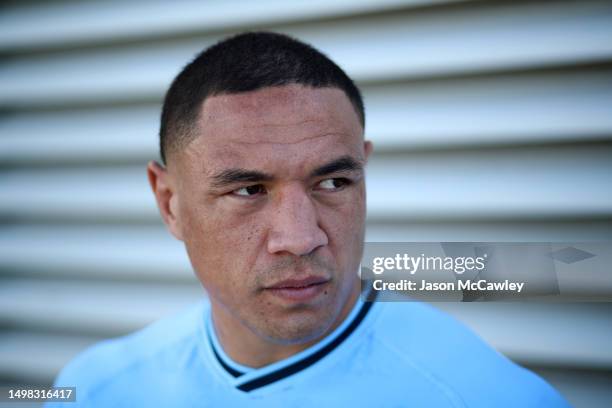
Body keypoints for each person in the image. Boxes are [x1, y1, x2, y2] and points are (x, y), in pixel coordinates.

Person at [48, 32, 569, 407]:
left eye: (333, 183)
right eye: (249, 190)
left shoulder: (485, 395)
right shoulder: (97, 388)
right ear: (169, 203)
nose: (300, 238)